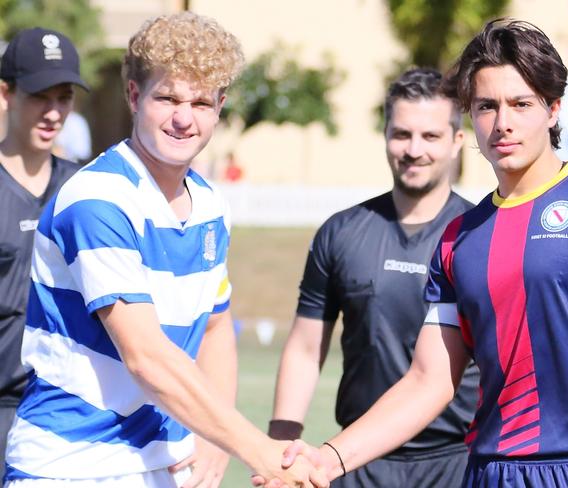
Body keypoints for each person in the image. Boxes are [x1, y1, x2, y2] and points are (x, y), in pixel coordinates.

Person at [269, 18, 568, 488]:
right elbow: (429, 381)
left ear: (553, 109)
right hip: (489, 474)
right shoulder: (458, 239)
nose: (503, 122)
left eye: (521, 104)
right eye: (487, 106)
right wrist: (327, 459)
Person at [3, 13, 326, 488]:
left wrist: (216, 440)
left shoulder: (211, 204)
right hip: (70, 470)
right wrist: (261, 452)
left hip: (168, 468)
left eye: (200, 102)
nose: (183, 117)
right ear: (134, 96)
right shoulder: (97, 199)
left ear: (220, 107)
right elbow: (148, 357)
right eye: (168, 97)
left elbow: (215, 327)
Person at [268, 67, 479, 487]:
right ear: (385, 135)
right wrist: (281, 440)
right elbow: (307, 348)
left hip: (458, 463)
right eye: (401, 134)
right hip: (356, 460)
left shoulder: (481, 235)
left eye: (430, 136)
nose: (414, 149)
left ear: (457, 141)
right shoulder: (341, 232)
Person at [0, 27, 88, 480]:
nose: (54, 112)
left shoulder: (87, 189)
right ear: (5, 94)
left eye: (64, 97)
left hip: (68, 413)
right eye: (40, 96)